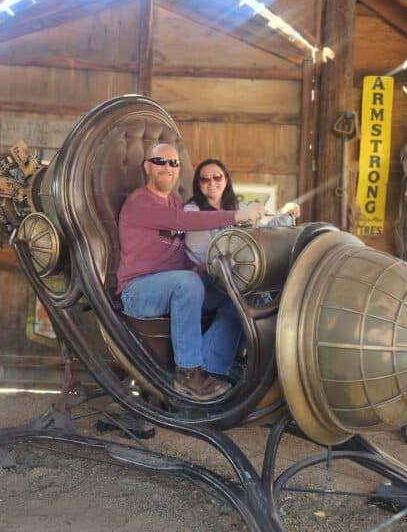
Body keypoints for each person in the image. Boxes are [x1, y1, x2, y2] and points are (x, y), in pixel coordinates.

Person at [116, 143, 266, 401]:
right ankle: (188, 375)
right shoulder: (139, 201)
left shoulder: (174, 201)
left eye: (174, 163)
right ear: (147, 167)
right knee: (188, 283)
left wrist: (198, 268)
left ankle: (212, 368)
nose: (168, 168)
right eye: (160, 161)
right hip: (137, 291)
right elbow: (183, 222)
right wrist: (237, 215)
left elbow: (173, 255)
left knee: (237, 294)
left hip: (171, 284)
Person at [183, 158, 301, 269]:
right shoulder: (192, 210)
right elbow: (202, 251)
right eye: (205, 179)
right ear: (199, 184)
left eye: (217, 177)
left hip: (240, 269)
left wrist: (285, 213)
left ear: (226, 181)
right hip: (208, 273)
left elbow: (265, 229)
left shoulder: (239, 207)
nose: (212, 183)